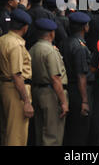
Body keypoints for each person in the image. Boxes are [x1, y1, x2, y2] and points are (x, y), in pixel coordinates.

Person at [0, 8, 34, 146]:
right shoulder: (16, 45)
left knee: (6, 131)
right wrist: (26, 102)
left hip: (4, 87)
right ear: (25, 27)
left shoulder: (0, 40)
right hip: (16, 91)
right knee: (17, 135)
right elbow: (17, 75)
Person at [30, 18, 69, 146]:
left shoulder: (33, 48)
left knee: (40, 132)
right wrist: (63, 102)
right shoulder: (50, 50)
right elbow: (55, 78)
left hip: (37, 91)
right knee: (53, 135)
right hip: (51, 94)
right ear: (52, 33)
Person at [61, 11, 92, 146]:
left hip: (68, 90)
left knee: (70, 130)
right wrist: (85, 101)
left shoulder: (64, 42)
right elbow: (81, 75)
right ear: (85, 27)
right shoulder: (79, 47)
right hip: (79, 92)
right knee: (80, 131)